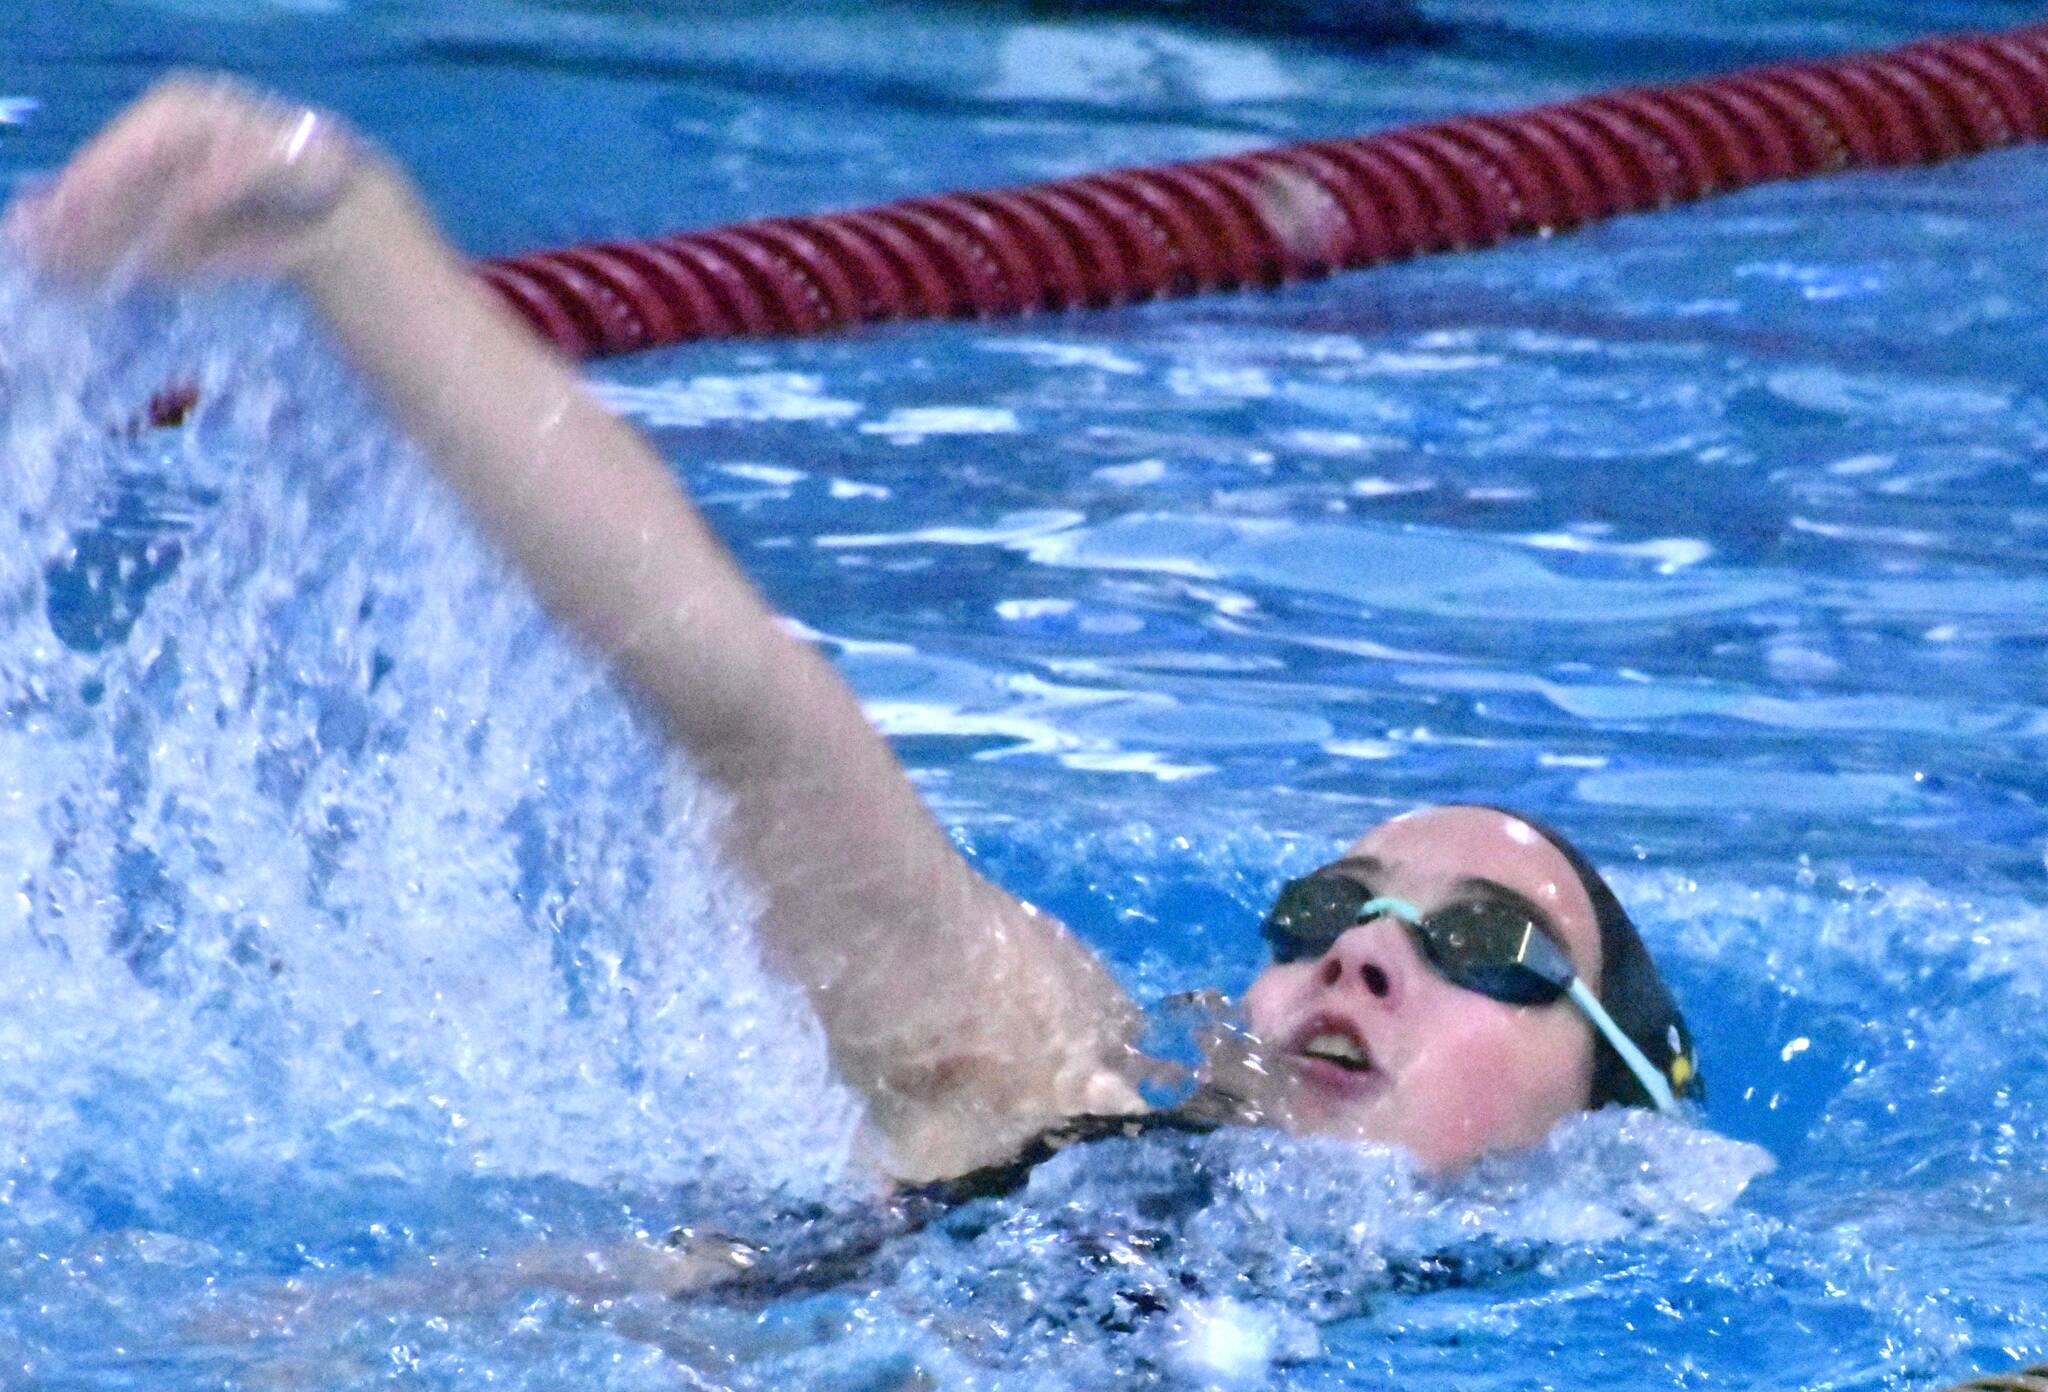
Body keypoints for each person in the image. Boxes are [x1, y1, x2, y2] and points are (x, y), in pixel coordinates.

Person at [5, 78, 1699, 1203]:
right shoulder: (1059, 1083)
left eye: (1492, 949)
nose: (1363, 956)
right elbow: (750, 712)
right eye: (1332, 910)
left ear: (1617, 1128)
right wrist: (342, 234)